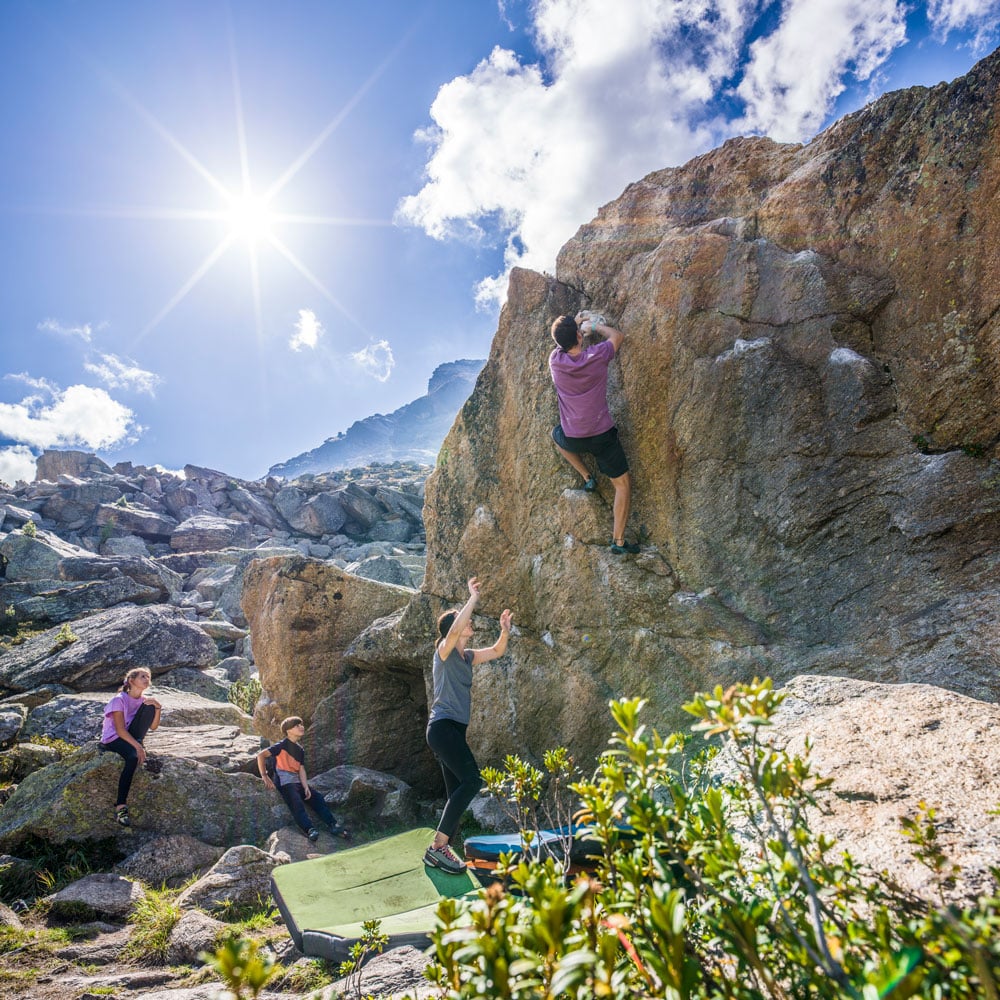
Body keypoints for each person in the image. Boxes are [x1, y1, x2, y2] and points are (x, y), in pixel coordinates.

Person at [424, 576, 513, 875]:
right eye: (466, 622)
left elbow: (497, 651)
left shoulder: (467, 656)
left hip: (453, 731)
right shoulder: (444, 651)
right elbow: (454, 629)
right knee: (473, 780)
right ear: (456, 628)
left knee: (456, 794)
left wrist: (504, 631)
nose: (470, 625)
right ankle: (437, 847)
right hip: (442, 728)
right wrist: (472, 598)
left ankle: (442, 849)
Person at [549, 311, 639, 554]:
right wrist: (596, 326)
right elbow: (617, 337)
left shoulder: (555, 361)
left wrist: (574, 328)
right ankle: (618, 541)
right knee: (622, 484)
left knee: (556, 436)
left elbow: (561, 342)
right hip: (601, 435)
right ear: (580, 336)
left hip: (573, 437)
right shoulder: (597, 355)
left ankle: (587, 477)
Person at [257, 716, 349, 843]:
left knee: (317, 798)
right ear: (288, 731)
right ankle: (309, 829)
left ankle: (333, 825)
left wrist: (306, 786)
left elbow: (301, 769)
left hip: (297, 782)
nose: (301, 727)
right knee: (296, 802)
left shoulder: (300, 749)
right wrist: (264, 775)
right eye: (297, 725)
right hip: (285, 782)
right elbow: (260, 755)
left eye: (301, 724)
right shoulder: (281, 745)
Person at [99, 667, 162, 827]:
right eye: (143, 676)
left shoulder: (145, 701)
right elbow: (120, 730)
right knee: (133, 757)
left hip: (132, 736)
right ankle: (121, 807)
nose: (147, 679)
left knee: (150, 706)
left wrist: (157, 707)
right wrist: (138, 747)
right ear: (131, 681)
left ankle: (137, 743)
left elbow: (153, 726)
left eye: (148, 677)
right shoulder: (118, 700)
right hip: (114, 738)